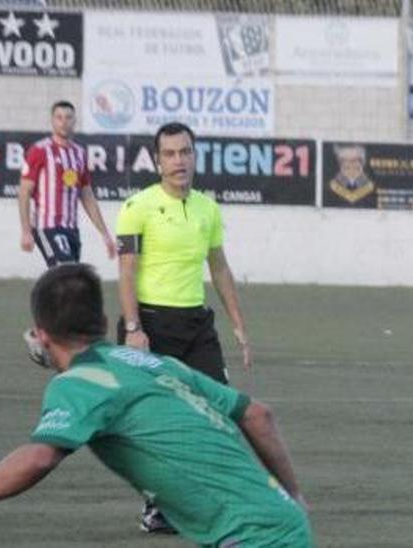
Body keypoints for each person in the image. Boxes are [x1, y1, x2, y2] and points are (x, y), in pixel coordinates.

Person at [0, 263, 311, 546]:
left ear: (42, 335)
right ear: (104, 323)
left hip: (251, 536)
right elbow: (258, 414)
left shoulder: (77, 383)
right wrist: (293, 495)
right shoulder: (159, 364)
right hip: (283, 520)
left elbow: (39, 458)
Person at [115, 121, 253, 533]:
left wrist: (239, 327)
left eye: (185, 152)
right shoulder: (136, 206)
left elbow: (220, 268)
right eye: (171, 154)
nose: (179, 160)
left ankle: (206, 499)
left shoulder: (207, 208)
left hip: (196, 323)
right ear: (158, 161)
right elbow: (125, 272)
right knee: (161, 422)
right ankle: (157, 506)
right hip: (152, 324)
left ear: (195, 156)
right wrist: (133, 327)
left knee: (218, 411)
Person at [17, 100, 116, 266]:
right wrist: (26, 231)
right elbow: (24, 192)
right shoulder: (40, 150)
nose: (64, 122)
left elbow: (87, 195)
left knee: (70, 280)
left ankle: (48, 293)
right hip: (47, 226)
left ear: (74, 121)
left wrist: (104, 234)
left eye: (68, 117)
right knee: (65, 272)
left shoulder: (79, 153)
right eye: (59, 117)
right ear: (52, 121)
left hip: (71, 228)